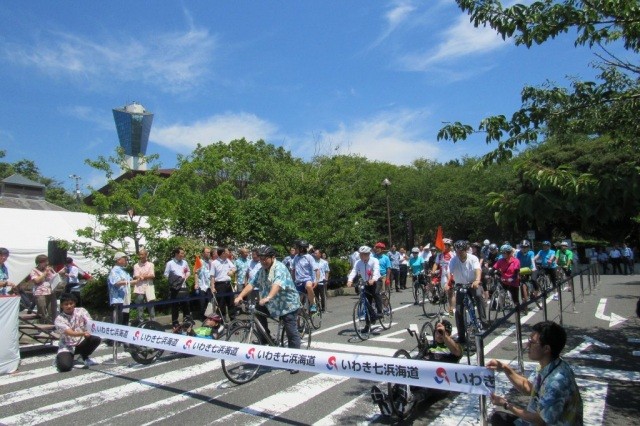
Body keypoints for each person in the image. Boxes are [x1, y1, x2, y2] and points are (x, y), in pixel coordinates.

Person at [487, 321, 583, 425]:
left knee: (499, 420)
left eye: (532, 342)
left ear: (546, 348)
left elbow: (540, 420)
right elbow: (528, 388)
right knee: (498, 418)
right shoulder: (550, 364)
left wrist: (506, 405)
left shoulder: (556, 382)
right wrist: (504, 368)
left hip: (543, 422)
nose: (527, 345)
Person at [370, 319, 463, 416]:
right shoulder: (430, 346)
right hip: (422, 374)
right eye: (437, 332)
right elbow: (417, 359)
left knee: (425, 387)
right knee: (405, 377)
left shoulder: (452, 347)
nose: (439, 335)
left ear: (448, 334)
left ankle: (409, 401)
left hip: (439, 382)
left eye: (442, 332)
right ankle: (388, 401)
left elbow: (457, 352)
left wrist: (445, 336)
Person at [234, 245, 302, 374]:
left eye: (266, 259)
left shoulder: (279, 268)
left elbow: (277, 284)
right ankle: (265, 338)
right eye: (261, 259)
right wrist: (240, 296)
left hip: (287, 304)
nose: (263, 261)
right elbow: (252, 283)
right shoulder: (261, 270)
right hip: (271, 303)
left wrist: (268, 297)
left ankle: (295, 361)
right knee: (259, 311)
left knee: (290, 330)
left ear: (272, 258)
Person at [448, 240, 485, 342]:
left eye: (461, 251)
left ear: (465, 250)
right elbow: (449, 272)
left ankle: (483, 320)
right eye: (457, 251)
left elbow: (477, 270)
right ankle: (461, 335)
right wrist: (448, 283)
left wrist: (477, 280)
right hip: (460, 285)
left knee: (478, 295)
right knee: (459, 311)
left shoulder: (473, 258)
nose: (459, 253)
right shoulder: (454, 260)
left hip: (472, 283)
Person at [54, 293, 101, 371]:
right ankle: (61, 358)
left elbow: (90, 323)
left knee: (96, 339)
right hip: (67, 346)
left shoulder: (81, 311)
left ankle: (84, 356)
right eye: (66, 304)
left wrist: (88, 331)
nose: (69, 306)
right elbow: (70, 333)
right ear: (62, 306)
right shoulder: (59, 319)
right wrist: (83, 333)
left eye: (71, 303)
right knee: (64, 367)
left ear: (75, 303)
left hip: (81, 342)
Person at [347, 245, 382, 334]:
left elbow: (377, 270)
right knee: (367, 303)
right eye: (361, 254)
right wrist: (350, 280)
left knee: (376, 293)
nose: (361, 256)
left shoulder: (374, 260)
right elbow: (354, 271)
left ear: (368, 254)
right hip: (366, 282)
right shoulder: (358, 262)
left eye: (363, 254)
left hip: (376, 281)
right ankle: (367, 324)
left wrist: (373, 279)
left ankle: (380, 311)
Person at [108, 252, 138, 325]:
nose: (126, 260)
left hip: (125, 299)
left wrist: (138, 278)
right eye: (124, 258)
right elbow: (117, 283)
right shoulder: (114, 271)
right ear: (118, 260)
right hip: (117, 300)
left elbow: (130, 280)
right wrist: (130, 282)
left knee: (125, 321)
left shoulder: (123, 271)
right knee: (118, 322)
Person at [494, 244, 525, 313]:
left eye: (505, 253)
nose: (503, 254)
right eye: (502, 253)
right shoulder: (501, 260)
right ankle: (501, 304)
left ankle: (518, 309)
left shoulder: (516, 261)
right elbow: (494, 268)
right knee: (500, 291)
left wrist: (512, 278)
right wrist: (488, 274)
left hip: (513, 281)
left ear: (509, 253)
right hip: (504, 280)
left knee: (515, 299)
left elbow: (516, 273)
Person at [164, 247, 191, 323]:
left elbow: (188, 271)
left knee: (186, 305)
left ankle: (187, 322)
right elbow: (166, 274)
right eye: (181, 253)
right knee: (175, 306)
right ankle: (175, 323)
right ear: (176, 254)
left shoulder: (185, 262)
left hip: (184, 286)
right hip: (175, 287)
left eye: (183, 253)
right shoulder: (170, 263)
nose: (183, 255)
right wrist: (174, 279)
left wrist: (186, 276)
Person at [292, 240, 319, 313]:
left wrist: (316, 281)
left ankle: (313, 304)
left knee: (308, 286)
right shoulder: (295, 258)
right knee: (298, 302)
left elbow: (317, 270)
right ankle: (300, 318)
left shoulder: (309, 257)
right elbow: (293, 270)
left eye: (297, 248)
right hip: (298, 281)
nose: (295, 249)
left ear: (301, 249)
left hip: (308, 279)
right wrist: (292, 281)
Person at [211, 247, 237, 321]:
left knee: (231, 303)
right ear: (223, 253)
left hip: (228, 284)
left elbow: (234, 268)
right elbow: (212, 276)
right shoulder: (214, 263)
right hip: (220, 285)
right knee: (221, 304)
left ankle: (233, 320)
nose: (229, 253)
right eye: (227, 252)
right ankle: (222, 321)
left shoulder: (227, 260)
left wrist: (232, 271)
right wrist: (212, 287)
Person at [29, 254, 56, 323]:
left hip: (51, 292)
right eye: (44, 262)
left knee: (52, 310)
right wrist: (44, 273)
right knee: (42, 309)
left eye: (47, 261)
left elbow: (53, 278)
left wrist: (56, 273)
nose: (46, 263)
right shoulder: (34, 270)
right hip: (40, 293)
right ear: (39, 262)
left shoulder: (48, 269)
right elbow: (36, 280)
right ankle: (41, 326)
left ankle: (51, 327)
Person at [432, 238, 456, 316]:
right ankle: (449, 307)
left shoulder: (453, 254)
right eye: (443, 245)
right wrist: (433, 271)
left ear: (449, 246)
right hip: (442, 275)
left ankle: (452, 311)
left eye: (445, 245)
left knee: (450, 294)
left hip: (450, 275)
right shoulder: (439, 255)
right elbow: (436, 264)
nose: (443, 247)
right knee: (446, 292)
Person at [132, 248, 156, 321]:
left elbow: (152, 275)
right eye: (140, 254)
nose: (140, 256)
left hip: (149, 287)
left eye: (142, 254)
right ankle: (141, 323)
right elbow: (136, 276)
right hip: (139, 288)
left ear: (146, 255)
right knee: (140, 307)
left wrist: (143, 276)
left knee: (151, 306)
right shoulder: (136, 265)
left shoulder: (150, 265)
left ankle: (153, 322)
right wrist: (145, 276)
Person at [193, 246, 214, 321]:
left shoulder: (211, 262)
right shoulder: (199, 261)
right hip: (201, 285)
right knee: (202, 302)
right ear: (203, 253)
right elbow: (196, 273)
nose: (209, 254)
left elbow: (213, 275)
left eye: (209, 252)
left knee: (209, 302)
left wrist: (213, 286)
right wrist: (196, 283)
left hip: (209, 285)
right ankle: (202, 318)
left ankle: (209, 317)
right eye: (207, 252)